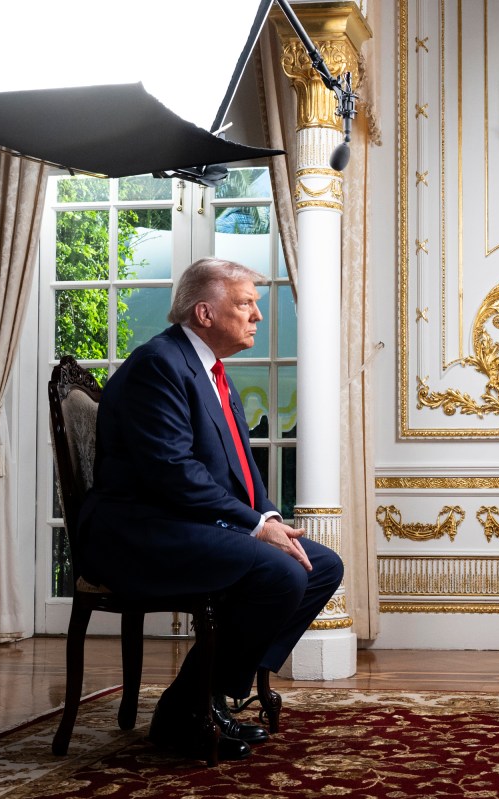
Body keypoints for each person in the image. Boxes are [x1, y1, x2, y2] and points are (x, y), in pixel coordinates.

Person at [78, 257, 344, 762]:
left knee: (322, 565)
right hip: (137, 532)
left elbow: (240, 470)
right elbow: (171, 471)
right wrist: (253, 527)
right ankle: (191, 708)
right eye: (245, 304)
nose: (257, 317)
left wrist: (266, 518)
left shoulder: (212, 372)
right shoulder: (160, 364)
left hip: (182, 522)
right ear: (204, 313)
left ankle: (205, 696)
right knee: (281, 575)